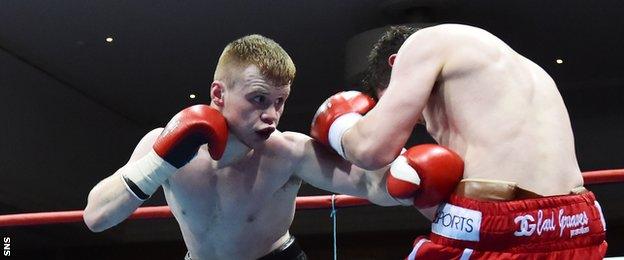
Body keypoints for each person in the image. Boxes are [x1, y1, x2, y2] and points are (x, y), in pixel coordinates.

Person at [83, 34, 463, 260]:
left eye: (280, 102)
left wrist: (414, 172)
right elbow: (96, 218)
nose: (272, 115)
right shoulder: (161, 144)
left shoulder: (288, 152)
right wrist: (159, 163)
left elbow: (371, 187)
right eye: (259, 99)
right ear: (218, 93)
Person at [312, 24, 607, 259]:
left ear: (395, 63)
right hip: (581, 223)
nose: (420, 122)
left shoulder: (423, 45)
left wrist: (341, 127)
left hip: (500, 228)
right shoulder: (522, 71)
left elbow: (369, 150)